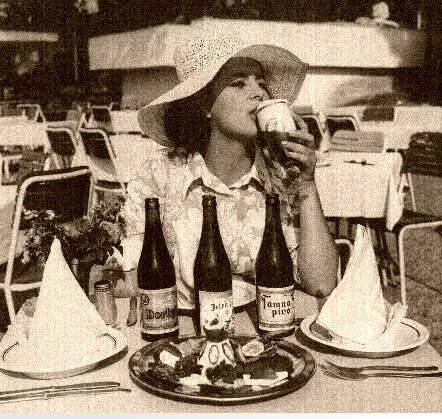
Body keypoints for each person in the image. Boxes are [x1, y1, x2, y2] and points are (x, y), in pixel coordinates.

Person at [120, 30, 339, 315]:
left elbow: (321, 284)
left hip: (266, 326)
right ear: (204, 105)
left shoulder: (282, 175)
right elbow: (134, 279)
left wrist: (307, 185)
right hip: (185, 327)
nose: (259, 93)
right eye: (238, 83)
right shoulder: (161, 174)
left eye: (262, 83)